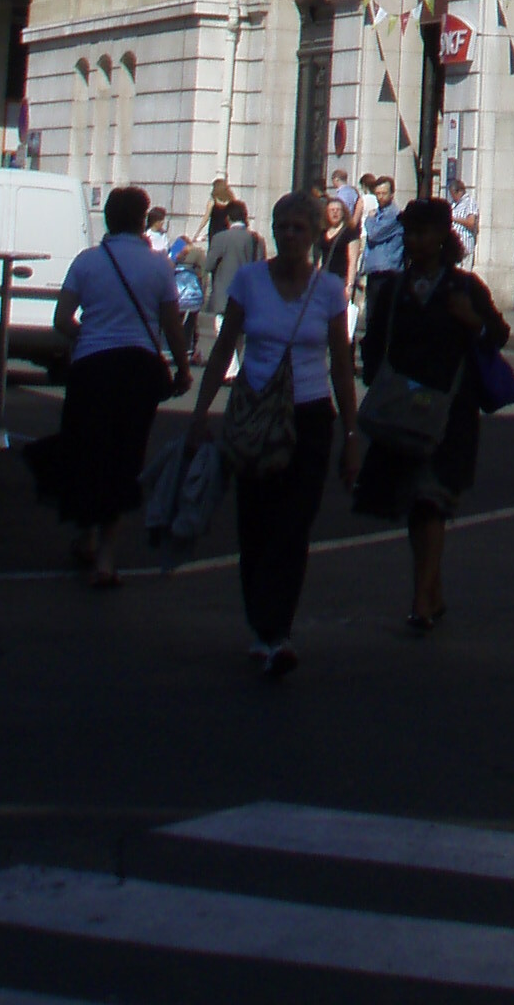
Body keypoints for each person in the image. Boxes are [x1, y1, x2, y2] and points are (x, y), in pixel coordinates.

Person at [185, 191, 359, 679]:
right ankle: (261, 624)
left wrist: (351, 434)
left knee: (294, 524)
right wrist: (200, 415)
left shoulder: (327, 291)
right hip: (256, 412)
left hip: (308, 415)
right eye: (281, 227)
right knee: (257, 523)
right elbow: (223, 350)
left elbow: (342, 366)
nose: (288, 235)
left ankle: (276, 631)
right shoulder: (250, 281)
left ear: (314, 235)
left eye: (298, 228)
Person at [355, 194, 511, 632]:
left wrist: (472, 322)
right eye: (410, 232)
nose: (414, 240)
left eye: (422, 232)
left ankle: (422, 598)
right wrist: (380, 382)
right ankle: (432, 587)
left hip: (450, 412)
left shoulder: (464, 289)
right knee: (416, 506)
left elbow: (497, 334)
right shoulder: (393, 290)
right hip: (404, 410)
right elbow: (373, 346)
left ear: (442, 237)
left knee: (431, 501)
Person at [42, 186, 191, 583]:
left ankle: (87, 533)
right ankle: (107, 556)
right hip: (139, 367)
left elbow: (61, 319)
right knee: (126, 456)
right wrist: (182, 369)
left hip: (92, 366)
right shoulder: (159, 266)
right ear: (142, 220)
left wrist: (88, 334)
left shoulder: (87, 262)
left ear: (108, 218)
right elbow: (173, 325)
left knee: (88, 450)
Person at [202, 199, 263, 359]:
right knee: (239, 333)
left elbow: (208, 264)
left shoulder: (221, 238)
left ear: (228, 218)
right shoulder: (256, 239)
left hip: (225, 292)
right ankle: (233, 365)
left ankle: (231, 370)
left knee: (222, 331)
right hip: (247, 293)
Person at [362, 175, 404, 280]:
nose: (380, 197)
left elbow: (374, 234)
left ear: (392, 195)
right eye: (377, 193)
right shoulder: (377, 213)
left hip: (387, 270)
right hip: (373, 268)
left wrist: (369, 219)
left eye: (384, 193)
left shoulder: (394, 215)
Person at [320, 194, 361, 294]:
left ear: (343, 213)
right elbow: (321, 258)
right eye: (331, 210)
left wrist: (349, 285)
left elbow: (353, 261)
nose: (335, 212)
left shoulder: (350, 232)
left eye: (338, 210)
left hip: (341, 280)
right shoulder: (323, 232)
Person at [449, 171, 481, 274]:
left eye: (453, 194)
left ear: (459, 192)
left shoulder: (469, 202)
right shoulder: (454, 204)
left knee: (465, 274)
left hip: (465, 243)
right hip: (454, 245)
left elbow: (471, 222)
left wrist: (454, 219)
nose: (452, 197)